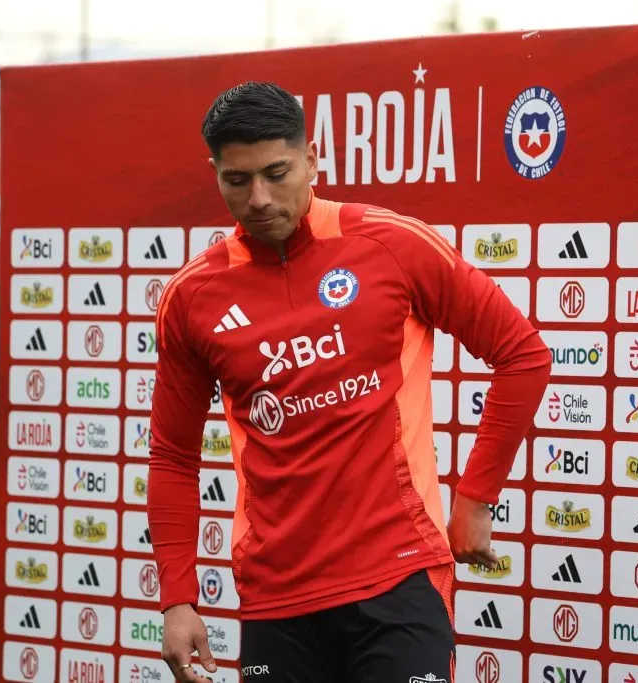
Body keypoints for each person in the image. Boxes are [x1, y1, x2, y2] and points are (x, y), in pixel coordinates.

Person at [147, 81, 552, 683]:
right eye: (237, 181)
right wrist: (177, 598)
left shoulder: (391, 243)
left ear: (312, 161)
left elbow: (522, 355)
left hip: (399, 578)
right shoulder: (193, 296)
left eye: (276, 172)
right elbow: (174, 456)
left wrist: (474, 498)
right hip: (276, 598)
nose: (258, 198)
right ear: (216, 174)